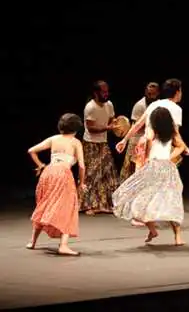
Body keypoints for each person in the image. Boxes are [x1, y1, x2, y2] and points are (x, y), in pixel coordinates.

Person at [112, 107, 189, 245]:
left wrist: (146, 158)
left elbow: (148, 141)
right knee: (171, 200)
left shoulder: (152, 130)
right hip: (168, 168)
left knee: (142, 200)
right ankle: (177, 236)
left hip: (154, 167)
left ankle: (153, 229)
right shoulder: (171, 132)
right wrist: (169, 157)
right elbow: (181, 147)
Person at [26, 113, 86, 256]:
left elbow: (31, 151)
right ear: (76, 129)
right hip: (63, 175)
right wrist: (81, 182)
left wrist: (41, 165)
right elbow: (82, 166)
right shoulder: (75, 142)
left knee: (44, 205)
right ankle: (63, 245)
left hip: (48, 173)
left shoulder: (54, 139)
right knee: (68, 207)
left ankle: (32, 241)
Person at [116, 78, 188, 167]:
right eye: (180, 91)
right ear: (177, 92)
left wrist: (124, 140)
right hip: (160, 149)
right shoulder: (176, 109)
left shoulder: (154, 104)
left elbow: (138, 124)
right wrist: (183, 147)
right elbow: (175, 133)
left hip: (143, 148)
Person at [80, 80, 119, 215]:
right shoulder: (90, 107)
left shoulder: (109, 105)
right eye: (103, 92)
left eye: (107, 91)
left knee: (108, 172)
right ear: (96, 93)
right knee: (91, 174)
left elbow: (111, 121)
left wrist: (117, 125)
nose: (106, 94)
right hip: (90, 144)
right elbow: (90, 128)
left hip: (103, 143)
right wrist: (107, 128)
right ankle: (88, 205)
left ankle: (105, 204)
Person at [120, 82, 160, 182]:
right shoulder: (139, 106)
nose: (151, 96)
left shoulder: (158, 104)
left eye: (153, 94)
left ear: (158, 93)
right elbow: (137, 126)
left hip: (150, 140)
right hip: (137, 141)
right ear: (145, 92)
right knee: (132, 172)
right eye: (149, 94)